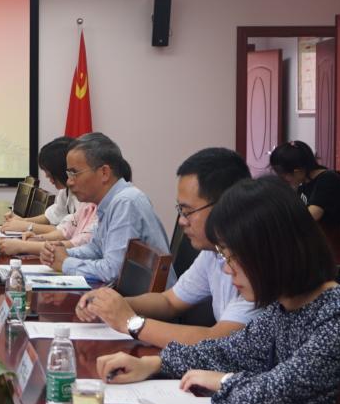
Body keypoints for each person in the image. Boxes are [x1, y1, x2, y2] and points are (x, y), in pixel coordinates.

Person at [95, 176, 340, 404]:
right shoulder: (286, 307)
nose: (227, 269)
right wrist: (154, 364)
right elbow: (230, 351)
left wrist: (223, 380)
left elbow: (272, 400)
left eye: (232, 257)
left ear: (272, 254)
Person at [75, 147, 255, 346]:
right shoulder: (213, 252)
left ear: (225, 205)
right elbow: (169, 301)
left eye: (187, 211)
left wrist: (131, 322)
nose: (182, 221)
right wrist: (111, 304)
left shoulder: (256, 263)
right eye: (180, 210)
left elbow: (219, 339)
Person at [39, 133, 172, 285]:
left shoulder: (126, 203)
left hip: (146, 299)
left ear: (104, 173)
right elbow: (96, 249)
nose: (69, 182)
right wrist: (62, 252)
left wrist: (65, 262)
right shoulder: (109, 203)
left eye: (74, 173)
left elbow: (112, 271)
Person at [1, 137, 77, 234]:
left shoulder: (85, 195)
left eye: (48, 171)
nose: (46, 176)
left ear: (59, 169)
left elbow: (68, 231)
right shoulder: (65, 190)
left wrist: (27, 226)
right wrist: (22, 221)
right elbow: (53, 215)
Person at [269, 140, 340, 225]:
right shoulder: (304, 181)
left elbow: (312, 216)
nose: (283, 180)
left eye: (283, 176)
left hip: (327, 232)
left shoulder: (328, 180)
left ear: (298, 172)